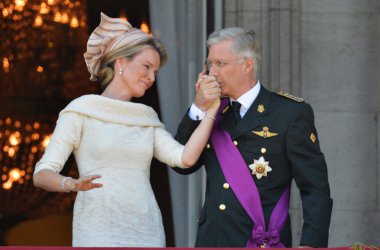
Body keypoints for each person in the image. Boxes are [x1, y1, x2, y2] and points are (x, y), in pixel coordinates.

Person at [33, 13, 220, 247]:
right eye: (146, 67)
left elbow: (184, 158)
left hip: (147, 233)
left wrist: (211, 110)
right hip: (96, 233)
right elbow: (41, 174)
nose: (152, 77)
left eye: (156, 71)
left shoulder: (146, 117)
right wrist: (71, 184)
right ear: (120, 62)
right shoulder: (81, 110)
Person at [173, 27, 333, 248]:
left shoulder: (288, 113)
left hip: (260, 241)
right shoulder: (212, 112)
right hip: (213, 240)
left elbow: (315, 187)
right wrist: (198, 108)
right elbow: (181, 164)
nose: (212, 73)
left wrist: (311, 244)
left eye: (221, 63)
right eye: (209, 64)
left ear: (247, 65)